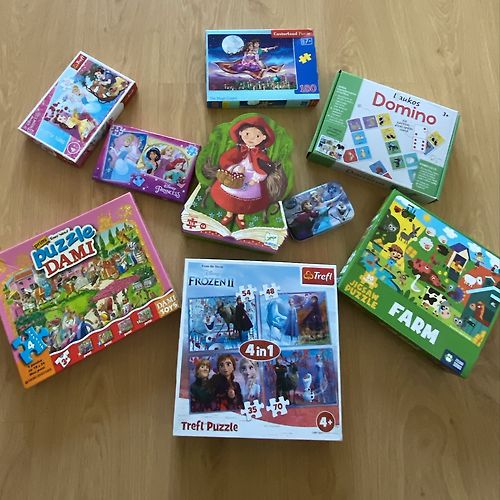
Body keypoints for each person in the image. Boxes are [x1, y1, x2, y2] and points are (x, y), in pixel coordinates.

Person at [210, 116, 277, 230]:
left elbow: (264, 168)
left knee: (245, 200)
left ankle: (240, 217)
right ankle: (229, 214)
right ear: (240, 133)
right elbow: (225, 160)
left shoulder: (261, 155)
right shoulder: (238, 150)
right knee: (230, 196)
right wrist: (235, 168)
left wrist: (255, 179)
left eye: (257, 136)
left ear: (263, 137)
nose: (251, 138)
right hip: (234, 176)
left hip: (251, 180)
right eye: (247, 134)